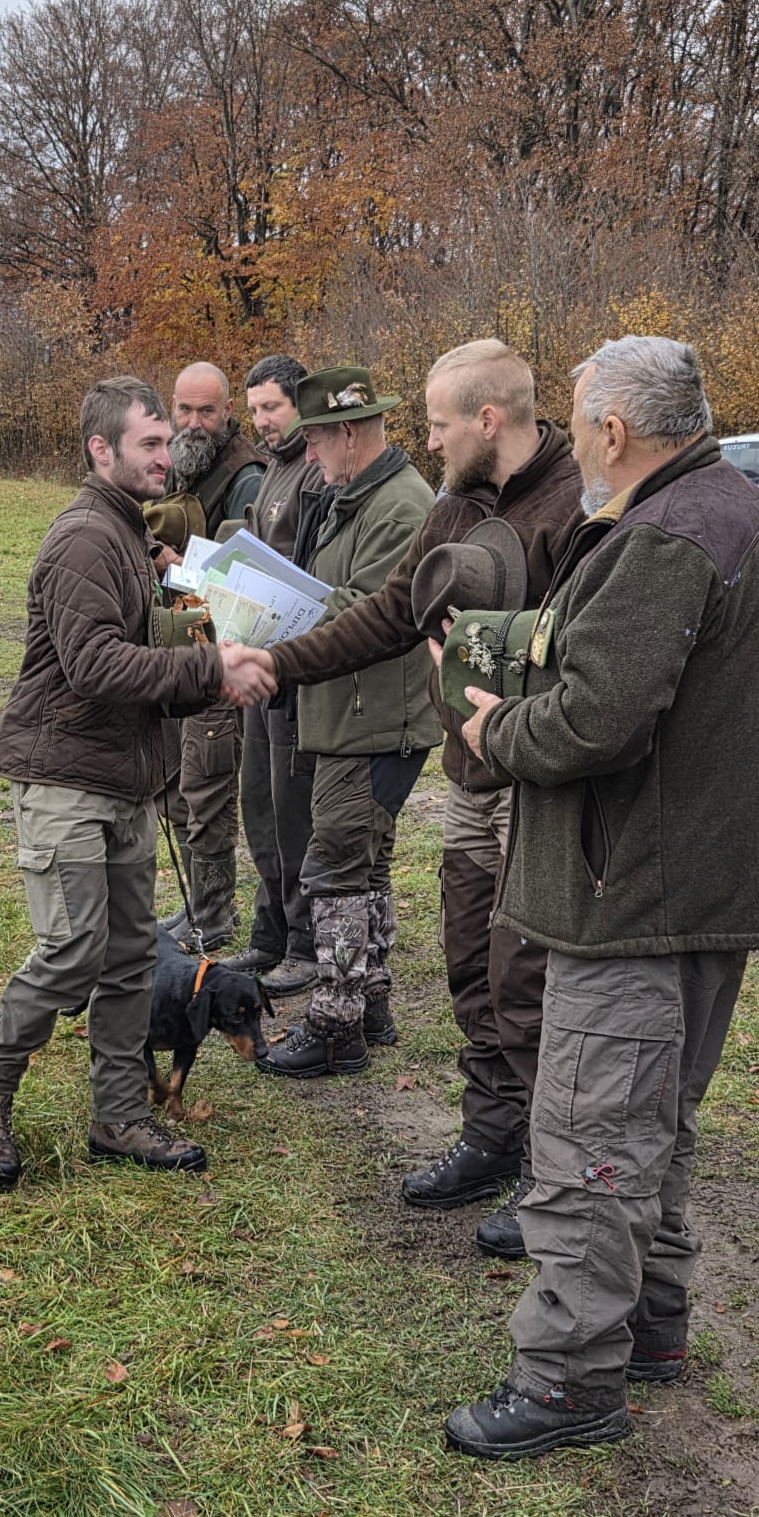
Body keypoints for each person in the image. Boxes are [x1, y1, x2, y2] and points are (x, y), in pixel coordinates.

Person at [442, 336, 759, 1461]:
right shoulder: (725, 507)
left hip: (639, 899)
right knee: (651, 1124)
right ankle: (649, 1327)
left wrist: (495, 729)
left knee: (590, 1139)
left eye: (579, 426)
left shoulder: (666, 532)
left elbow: (594, 719)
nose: (576, 446)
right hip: (686, 884)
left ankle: (568, 1380)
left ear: (613, 430)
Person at [267, 342, 582, 1228]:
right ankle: (491, 1138)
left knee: (529, 980)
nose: (430, 441)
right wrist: (277, 663)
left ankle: (550, 1174)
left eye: (441, 425)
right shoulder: (453, 506)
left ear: (488, 419)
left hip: (541, 787)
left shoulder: (574, 509)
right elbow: (385, 615)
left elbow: (589, 659)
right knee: (470, 965)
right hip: (470, 781)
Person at [0, 376, 274, 1189]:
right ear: (102, 449)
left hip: (128, 779)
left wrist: (210, 672)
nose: (167, 457)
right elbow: (93, 665)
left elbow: (149, 653)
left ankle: (120, 1115)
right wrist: (209, 665)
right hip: (65, 774)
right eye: (149, 444)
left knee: (130, 956)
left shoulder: (132, 531)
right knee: (73, 952)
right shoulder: (85, 540)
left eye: (168, 442)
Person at [258, 365, 440, 1079]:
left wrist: (273, 622)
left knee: (334, 866)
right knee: (366, 863)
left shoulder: (398, 506)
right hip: (354, 711)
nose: (307, 454)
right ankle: (370, 1003)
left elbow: (362, 613)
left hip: (373, 717)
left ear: (349, 434)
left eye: (315, 441)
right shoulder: (357, 497)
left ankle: (336, 1025)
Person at [152, 362, 267, 951]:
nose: (194, 422)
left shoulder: (246, 478)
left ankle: (215, 915)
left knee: (208, 785)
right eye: (184, 409)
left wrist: (178, 565)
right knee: (175, 782)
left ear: (227, 413)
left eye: (206, 411)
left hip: (221, 652)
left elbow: (248, 577)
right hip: (178, 648)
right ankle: (197, 905)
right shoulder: (175, 464)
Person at [228, 352, 320, 997]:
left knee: (293, 810)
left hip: (294, 664)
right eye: (255, 409)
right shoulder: (274, 470)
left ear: (299, 403)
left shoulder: (315, 469)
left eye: (272, 407)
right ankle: (269, 932)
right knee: (257, 799)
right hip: (259, 659)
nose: (261, 420)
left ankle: (305, 941)